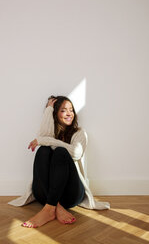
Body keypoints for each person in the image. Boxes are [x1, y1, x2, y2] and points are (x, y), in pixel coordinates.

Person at [8, 95, 110, 228]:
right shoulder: (49, 134)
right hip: (44, 194)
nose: (69, 113)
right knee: (43, 151)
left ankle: (49, 208)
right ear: (54, 114)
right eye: (63, 110)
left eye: (71, 110)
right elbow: (43, 137)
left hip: (71, 194)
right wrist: (48, 110)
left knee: (61, 152)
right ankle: (55, 207)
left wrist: (48, 141)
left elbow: (76, 153)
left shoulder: (79, 133)